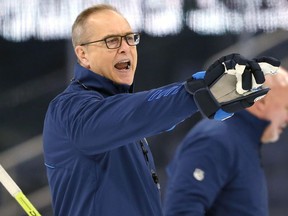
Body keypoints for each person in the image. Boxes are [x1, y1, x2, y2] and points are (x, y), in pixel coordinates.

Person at [42, 3, 280, 216]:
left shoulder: (123, 115)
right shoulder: (68, 110)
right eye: (111, 41)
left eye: (129, 38)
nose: (125, 48)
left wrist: (202, 95)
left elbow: (140, 114)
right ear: (82, 54)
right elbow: (132, 114)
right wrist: (199, 92)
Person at [163, 67, 288, 216]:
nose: (287, 119)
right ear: (261, 101)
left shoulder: (240, 141)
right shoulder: (216, 139)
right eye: (286, 108)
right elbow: (181, 210)